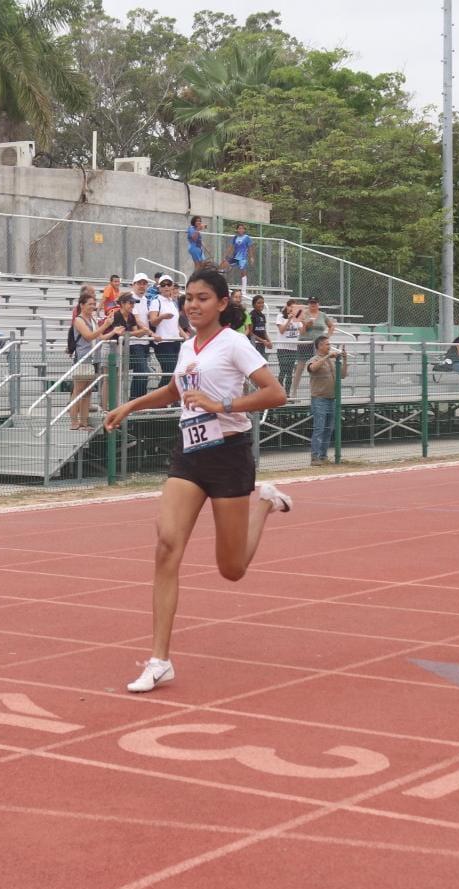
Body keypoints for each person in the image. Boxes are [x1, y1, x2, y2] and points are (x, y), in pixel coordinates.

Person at [104, 268, 291, 693]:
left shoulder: (236, 343)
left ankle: (262, 502)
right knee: (167, 545)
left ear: (222, 304)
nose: (192, 304)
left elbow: (275, 393)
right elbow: (174, 391)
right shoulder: (187, 345)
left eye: (203, 297)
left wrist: (220, 401)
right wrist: (130, 405)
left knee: (232, 570)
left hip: (228, 455)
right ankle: (159, 660)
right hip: (189, 452)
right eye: (188, 297)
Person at [66, 290, 109, 429]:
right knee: (78, 391)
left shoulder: (93, 319)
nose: (93, 306)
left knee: (88, 392)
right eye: (90, 304)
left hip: (94, 359)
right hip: (83, 358)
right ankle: (74, 422)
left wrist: (114, 332)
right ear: (82, 305)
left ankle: (84, 422)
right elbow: (89, 336)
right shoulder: (78, 320)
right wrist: (106, 325)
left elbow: (99, 337)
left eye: (94, 303)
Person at [306, 335, 348, 466]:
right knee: (319, 428)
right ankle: (315, 457)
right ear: (319, 346)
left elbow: (343, 375)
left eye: (329, 344)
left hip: (332, 399)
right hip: (319, 399)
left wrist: (345, 360)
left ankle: (323, 456)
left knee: (328, 429)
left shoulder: (331, 361)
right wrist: (326, 357)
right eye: (326, 344)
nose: (329, 347)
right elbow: (312, 368)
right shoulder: (315, 359)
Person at [149, 275, 183, 387]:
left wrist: (185, 337)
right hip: (163, 342)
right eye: (163, 285)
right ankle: (158, 400)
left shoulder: (173, 302)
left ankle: (171, 401)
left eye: (169, 284)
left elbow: (176, 324)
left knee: (176, 373)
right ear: (159, 287)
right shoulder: (156, 301)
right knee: (169, 372)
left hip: (175, 341)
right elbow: (153, 321)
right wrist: (162, 317)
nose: (166, 287)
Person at [127, 273, 153, 399]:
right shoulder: (131, 299)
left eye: (144, 283)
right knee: (142, 372)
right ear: (133, 285)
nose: (142, 286)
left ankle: (138, 402)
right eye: (139, 283)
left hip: (145, 342)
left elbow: (147, 318)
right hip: (135, 342)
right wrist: (151, 333)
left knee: (142, 373)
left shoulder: (145, 300)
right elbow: (138, 320)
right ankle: (135, 401)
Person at [275, 298, 304, 395]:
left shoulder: (297, 319)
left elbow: (302, 332)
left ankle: (287, 393)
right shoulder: (280, 316)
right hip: (282, 348)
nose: (293, 309)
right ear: (287, 306)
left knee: (290, 372)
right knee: (283, 370)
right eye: (291, 306)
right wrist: (289, 319)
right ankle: (279, 392)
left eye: (294, 307)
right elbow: (282, 330)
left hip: (293, 348)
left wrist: (303, 320)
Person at [298, 296, 334, 370]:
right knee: (300, 367)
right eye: (311, 303)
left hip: (319, 344)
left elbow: (331, 326)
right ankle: (295, 382)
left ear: (318, 304)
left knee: (320, 364)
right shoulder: (302, 313)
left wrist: (327, 336)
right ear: (308, 304)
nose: (313, 304)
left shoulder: (322, 315)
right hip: (305, 343)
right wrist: (307, 324)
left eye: (314, 302)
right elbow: (301, 331)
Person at [221, 223, 253, 289]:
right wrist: (226, 255)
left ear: (244, 230)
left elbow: (250, 248)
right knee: (223, 266)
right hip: (235, 257)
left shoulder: (247, 237)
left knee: (243, 272)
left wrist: (251, 257)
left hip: (242, 258)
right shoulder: (235, 237)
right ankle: (221, 284)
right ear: (237, 230)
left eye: (242, 228)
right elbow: (231, 247)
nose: (241, 230)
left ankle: (244, 290)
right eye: (239, 228)